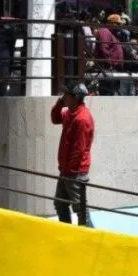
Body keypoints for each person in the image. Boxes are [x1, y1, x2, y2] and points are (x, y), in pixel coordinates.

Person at [51, 82, 95, 227]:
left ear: (75, 97)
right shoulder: (70, 113)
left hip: (75, 172)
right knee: (60, 203)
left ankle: (89, 239)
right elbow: (55, 118)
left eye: (66, 95)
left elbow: (79, 150)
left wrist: (69, 172)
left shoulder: (82, 119)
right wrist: (60, 103)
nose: (63, 97)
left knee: (80, 210)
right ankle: (68, 232)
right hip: (66, 170)